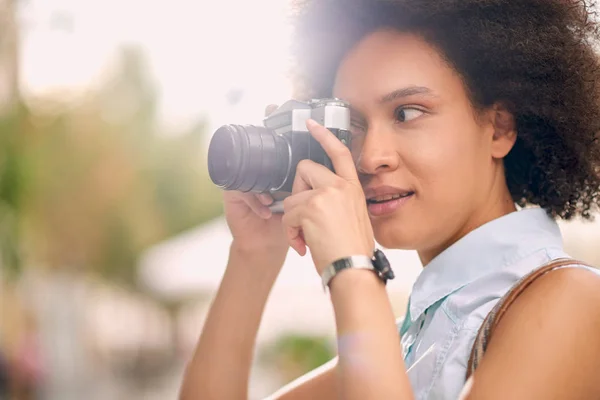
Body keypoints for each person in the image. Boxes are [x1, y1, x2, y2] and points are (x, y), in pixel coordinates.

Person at [180, 0, 600, 398]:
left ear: (499, 128)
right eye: (354, 124)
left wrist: (353, 267)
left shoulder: (574, 300)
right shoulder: (408, 338)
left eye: (407, 113)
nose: (369, 156)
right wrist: (253, 255)